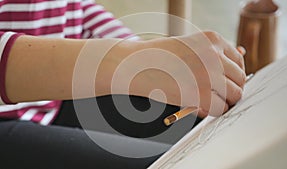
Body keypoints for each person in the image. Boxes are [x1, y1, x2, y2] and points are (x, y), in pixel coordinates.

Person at [0, 0, 246, 168]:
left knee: (210, 132)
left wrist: (148, 57)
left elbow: (74, 7)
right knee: (179, 162)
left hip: (53, 98)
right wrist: (132, 62)